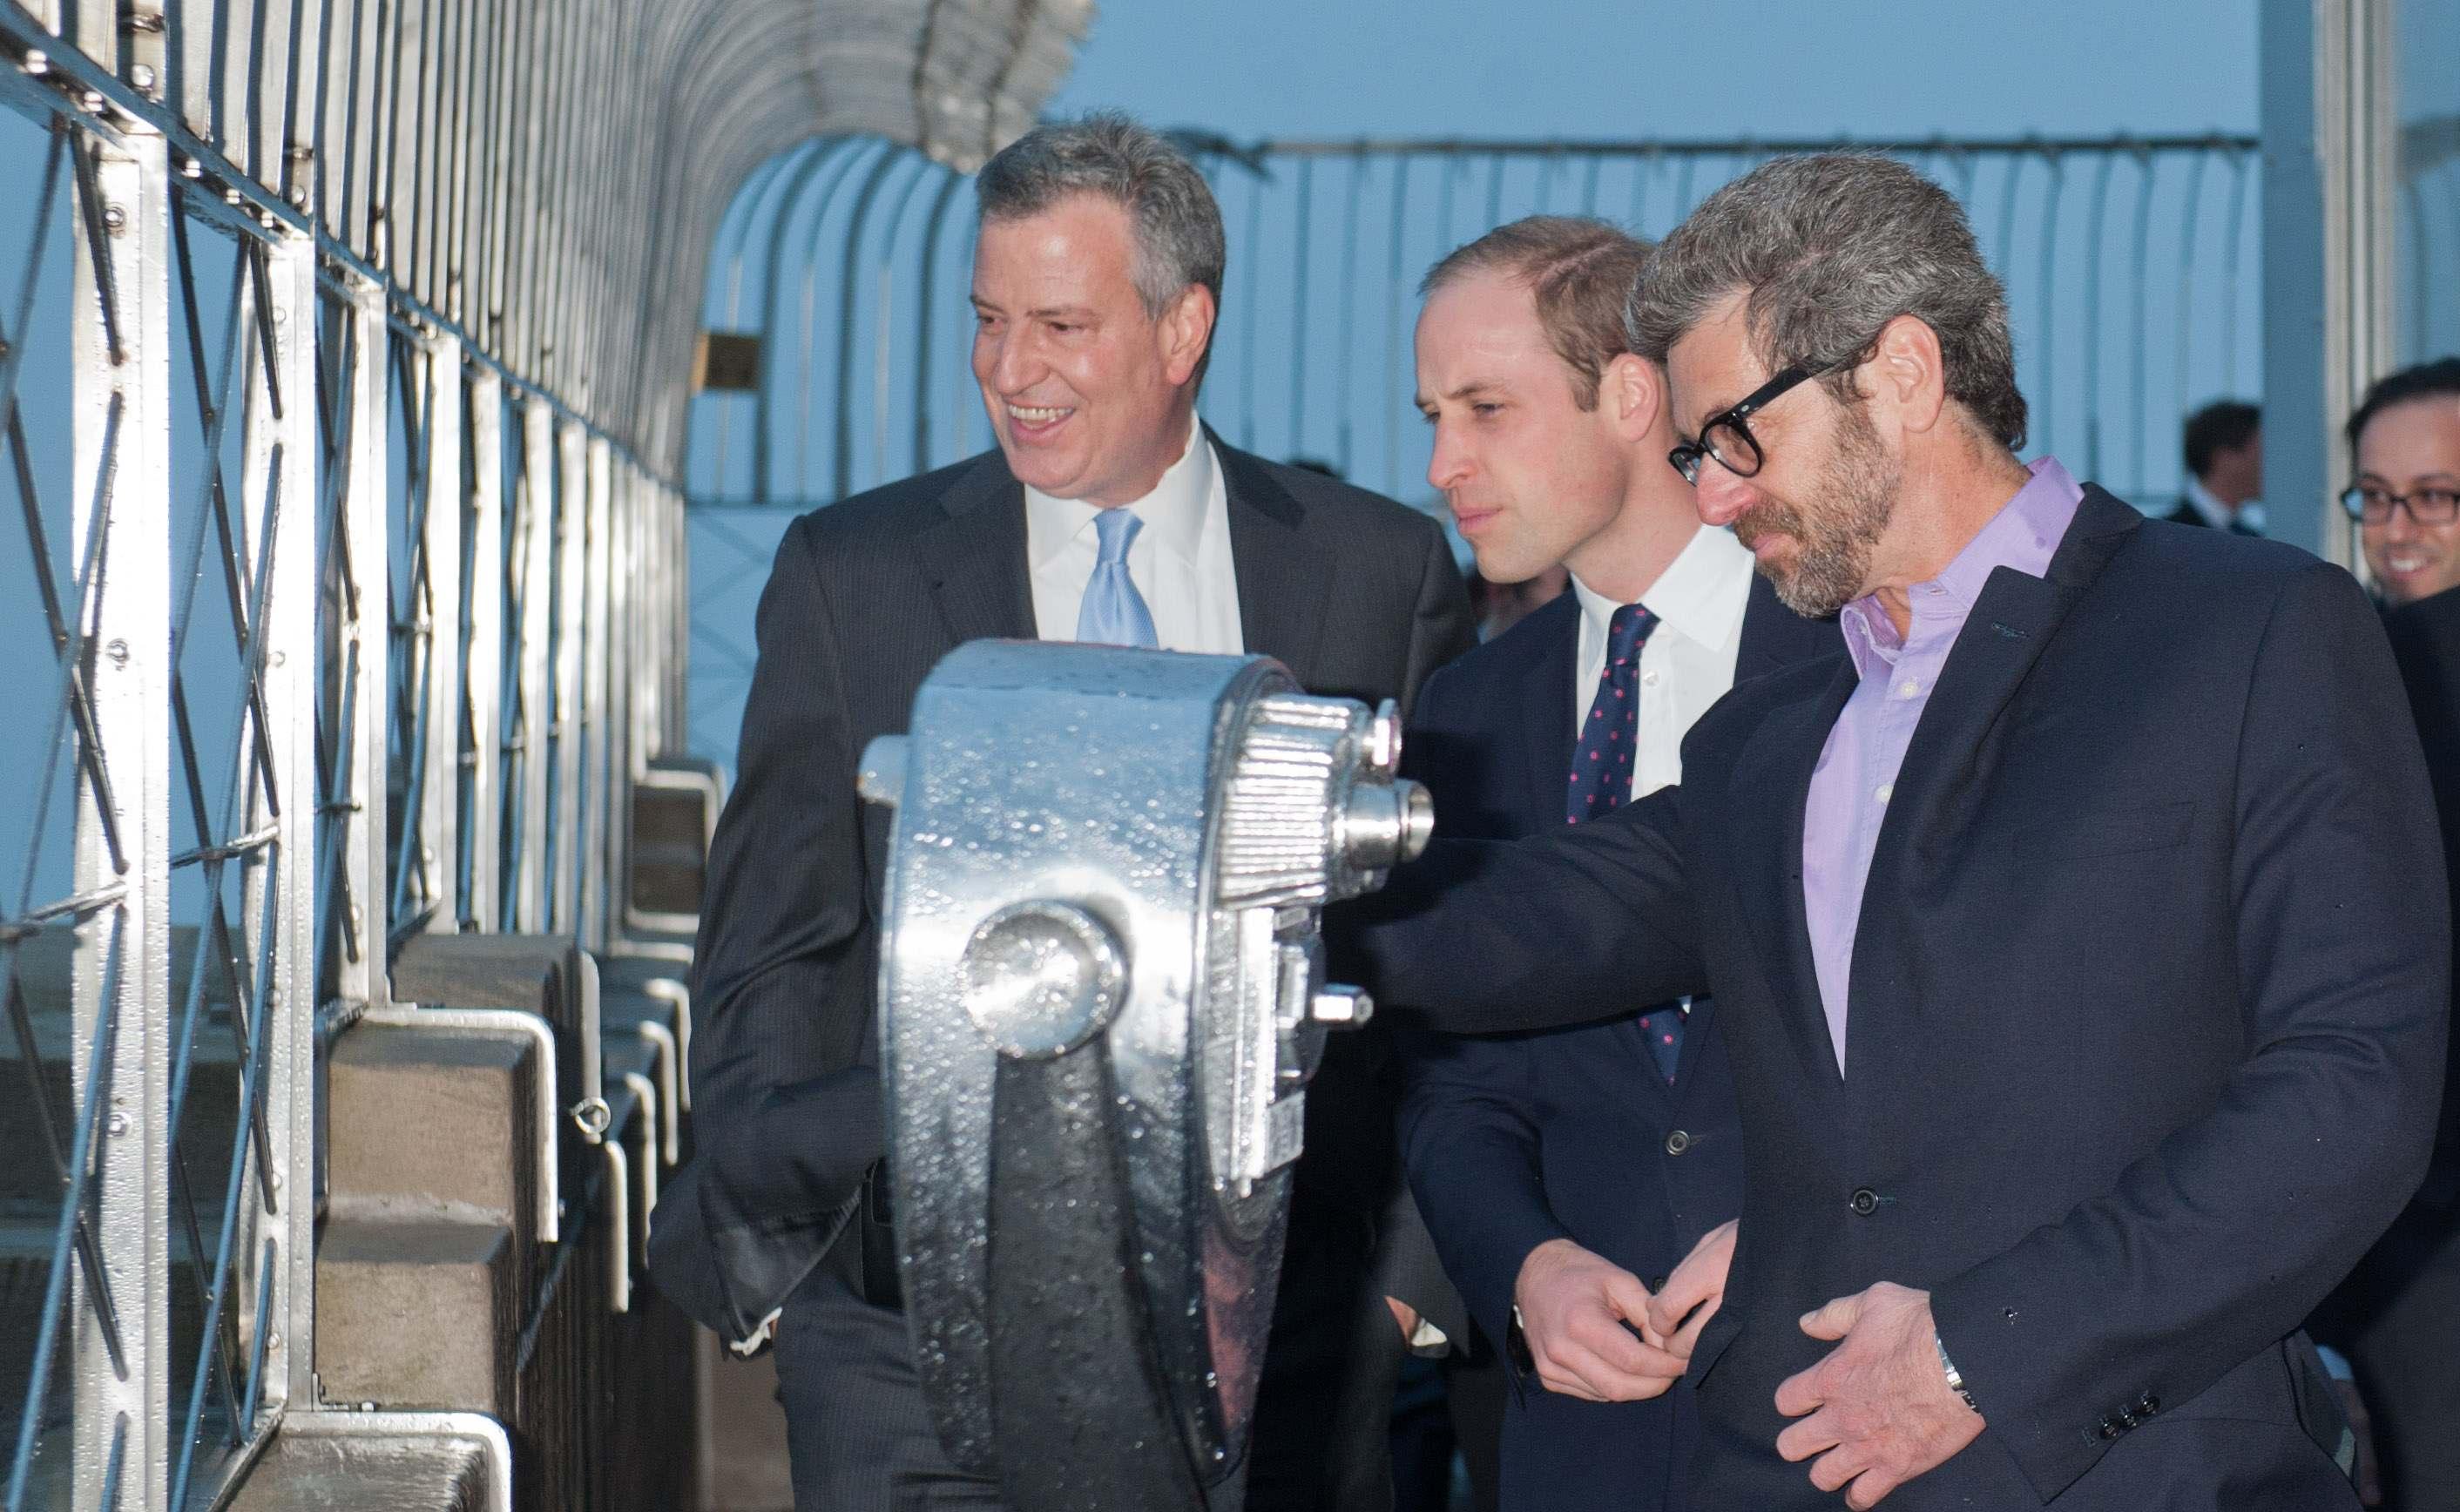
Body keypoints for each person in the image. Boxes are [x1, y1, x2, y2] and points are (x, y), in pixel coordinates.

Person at [1349, 153, 2447, 1511]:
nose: (1712, 496)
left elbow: (2351, 1090)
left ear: (1903, 373)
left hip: (2131, 1471)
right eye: (1695, 455)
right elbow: (1532, 920)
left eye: (1736, 439)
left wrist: (1984, 1355)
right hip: (1779, 1468)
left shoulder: (2243, 629)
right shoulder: (1772, 729)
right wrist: (1238, 899)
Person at [648, 111, 1476, 1512]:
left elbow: (1436, 963)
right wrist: (800, 1234)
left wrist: (1400, 1287)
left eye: (1059, 326)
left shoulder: (1372, 575)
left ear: (1181, 327)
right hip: (912, 1350)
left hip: (1279, 1348)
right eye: (986, 321)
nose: (1008, 372)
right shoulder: (853, 577)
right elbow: (774, 946)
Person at [1389, 215, 1836, 1512]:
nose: (1441, 463)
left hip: (1849, 1406)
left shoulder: (1848, 653)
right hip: (1582, 1438)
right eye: (1431, 414)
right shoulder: (1463, 715)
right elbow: (1451, 1078)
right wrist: (1524, 1268)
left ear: (1635, 396)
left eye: (1486, 410)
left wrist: (1807, 1238)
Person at [2314, 355, 2460, 1511]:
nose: (2399, 529)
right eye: (2377, 496)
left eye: (2438, 496)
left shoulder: (2374, 668)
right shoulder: (2359, 656)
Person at [2165, 399, 2265, 534]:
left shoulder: (2253, 538)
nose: (2270, 466)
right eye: (2262, 454)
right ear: (2225, 458)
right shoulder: (2168, 535)